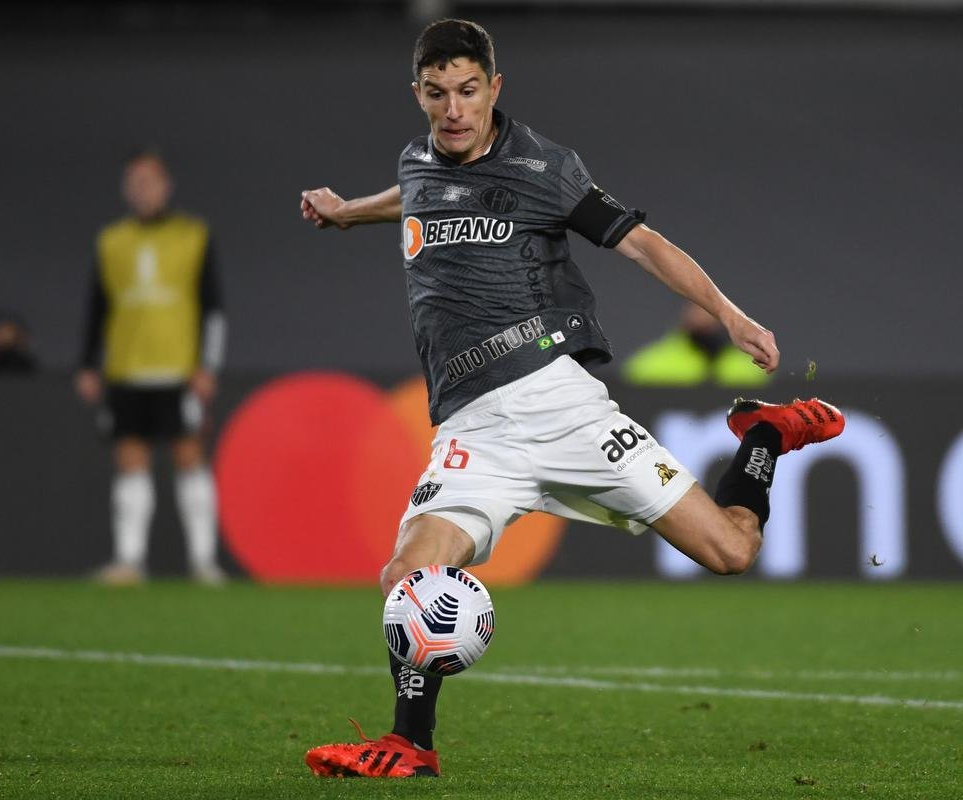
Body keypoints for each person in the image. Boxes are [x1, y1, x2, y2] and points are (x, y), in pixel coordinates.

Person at [298, 19, 844, 778]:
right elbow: (419, 195)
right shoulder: (419, 160)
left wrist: (728, 313)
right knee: (406, 577)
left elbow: (642, 243)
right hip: (472, 429)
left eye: (467, 91)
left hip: (558, 405)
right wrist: (348, 211)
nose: (454, 110)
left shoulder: (543, 167)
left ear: (494, 87)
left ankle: (761, 437)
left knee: (731, 550)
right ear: (417, 94)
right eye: (436, 94)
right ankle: (410, 745)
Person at [76, 150, 227, 586]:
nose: (143, 189)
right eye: (135, 181)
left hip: (177, 369)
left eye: (150, 180)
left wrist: (207, 366)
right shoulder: (111, 240)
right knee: (130, 460)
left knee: (188, 456)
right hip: (125, 370)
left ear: (166, 185)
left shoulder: (193, 235)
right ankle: (129, 561)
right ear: (126, 188)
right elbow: (97, 306)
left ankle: (203, 563)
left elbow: (213, 307)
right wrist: (89, 363)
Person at [622, 301, 770, 387]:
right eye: (698, 312)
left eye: (711, 316)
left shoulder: (747, 366)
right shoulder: (651, 363)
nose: (704, 320)